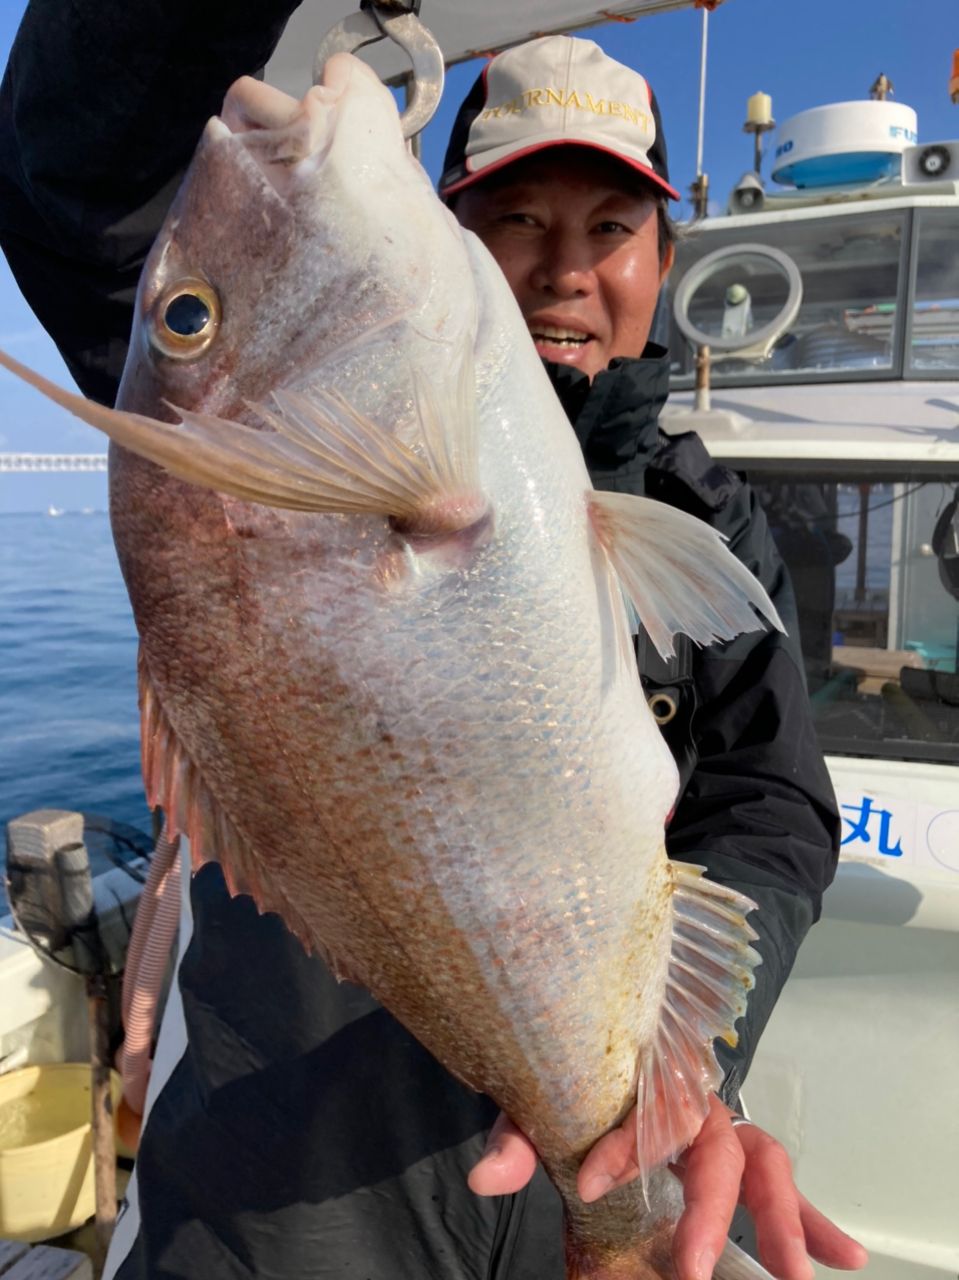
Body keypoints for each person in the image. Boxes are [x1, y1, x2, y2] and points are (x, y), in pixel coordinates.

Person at [0, 7, 866, 1279]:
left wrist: (674, 1085)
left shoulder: (710, 518)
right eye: (517, 218)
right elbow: (70, 171)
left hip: (564, 1174)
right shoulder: (245, 441)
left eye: (608, 227)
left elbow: (769, 806)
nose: (565, 268)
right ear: (455, 228)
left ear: (663, 254)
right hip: (268, 1202)